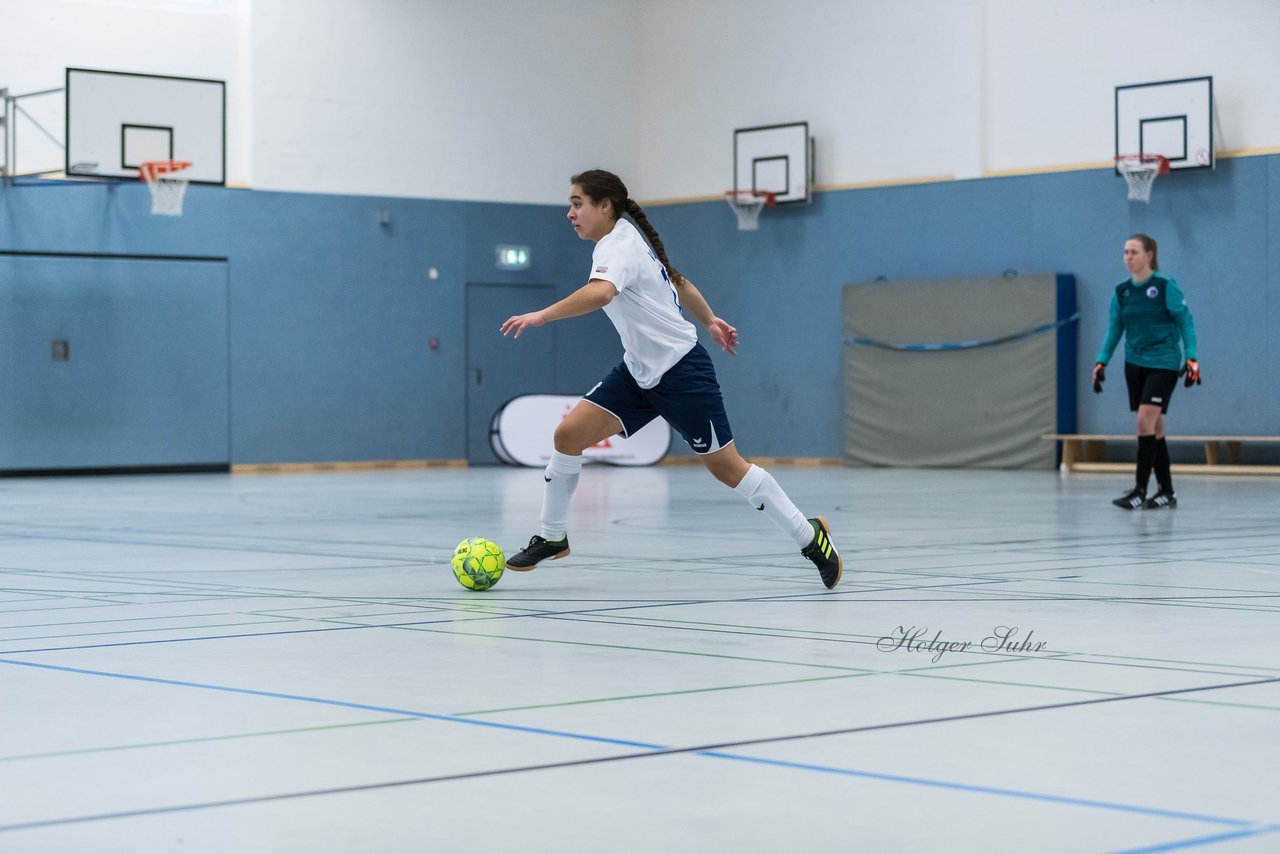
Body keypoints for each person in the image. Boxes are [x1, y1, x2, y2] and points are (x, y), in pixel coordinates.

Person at [499, 169, 841, 588]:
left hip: (682, 374)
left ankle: (811, 538)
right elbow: (678, 282)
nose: (570, 213)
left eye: (577, 203)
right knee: (568, 436)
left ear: (604, 206)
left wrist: (542, 315)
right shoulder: (628, 239)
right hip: (638, 373)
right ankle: (552, 537)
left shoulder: (617, 244)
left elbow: (601, 293)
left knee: (728, 469)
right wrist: (711, 320)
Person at [1092, 233, 1199, 510]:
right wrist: (1101, 360)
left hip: (1162, 362)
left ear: (1149, 255)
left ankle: (1140, 490)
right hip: (1134, 364)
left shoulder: (1165, 286)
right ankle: (1167, 491)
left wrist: (1192, 358)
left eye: (1134, 252)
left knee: (1143, 422)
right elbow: (1115, 327)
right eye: (1125, 252)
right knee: (1155, 427)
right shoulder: (1122, 291)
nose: (1128, 257)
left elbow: (1185, 321)